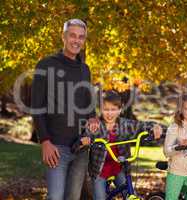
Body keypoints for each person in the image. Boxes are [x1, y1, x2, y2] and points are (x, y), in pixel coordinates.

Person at [31, 19, 95, 200]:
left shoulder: (85, 69)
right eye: (72, 35)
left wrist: (93, 117)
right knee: (56, 197)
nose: (77, 40)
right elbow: (36, 106)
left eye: (81, 37)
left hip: (81, 147)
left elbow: (88, 102)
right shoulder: (46, 65)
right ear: (64, 37)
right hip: (56, 147)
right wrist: (44, 141)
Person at [72, 90, 164, 200]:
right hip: (100, 171)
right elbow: (76, 146)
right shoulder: (95, 127)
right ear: (101, 109)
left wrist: (155, 127)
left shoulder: (125, 124)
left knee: (129, 193)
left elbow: (143, 125)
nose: (109, 113)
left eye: (113, 110)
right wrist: (83, 142)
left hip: (119, 168)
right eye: (106, 109)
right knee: (100, 197)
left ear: (120, 110)